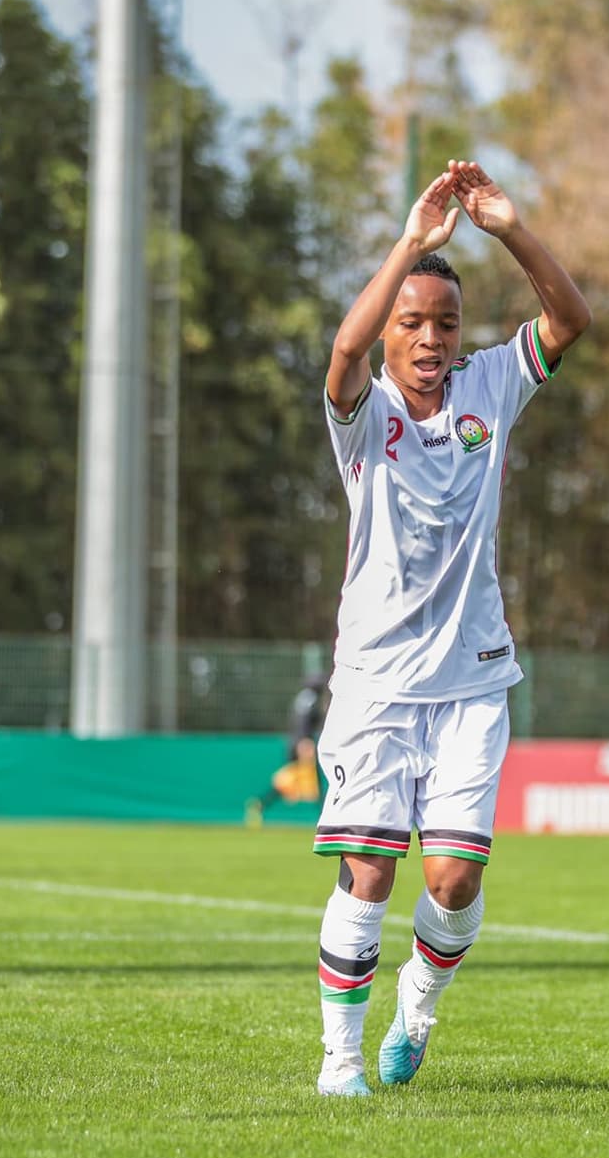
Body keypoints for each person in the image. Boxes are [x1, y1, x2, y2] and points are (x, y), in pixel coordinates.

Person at [309, 160, 590, 1097]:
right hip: (376, 684)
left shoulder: (490, 389)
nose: (430, 338)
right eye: (412, 324)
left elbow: (570, 322)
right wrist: (410, 244)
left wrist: (509, 229)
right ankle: (340, 1060)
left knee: (455, 882)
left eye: (445, 324)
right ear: (390, 332)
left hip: (473, 678)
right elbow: (342, 353)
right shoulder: (364, 414)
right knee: (369, 872)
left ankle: (418, 1009)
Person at [248, 672, 329, 824]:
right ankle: (324, 816)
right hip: (302, 744)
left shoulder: (303, 698)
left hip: (296, 742)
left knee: (296, 780)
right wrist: (303, 741)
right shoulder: (309, 699)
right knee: (308, 781)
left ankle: (261, 803)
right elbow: (302, 722)